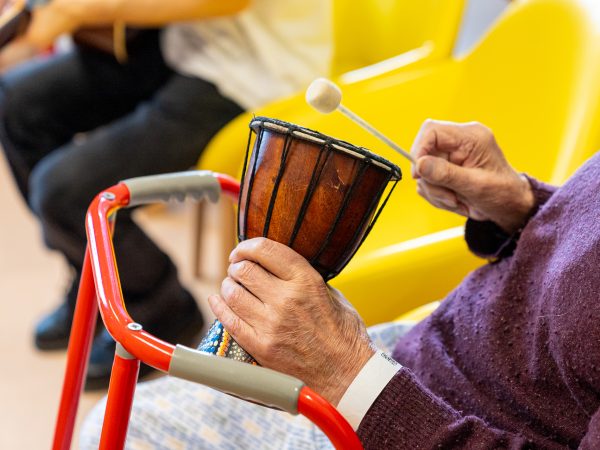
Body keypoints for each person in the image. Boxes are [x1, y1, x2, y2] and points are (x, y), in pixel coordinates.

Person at [81, 119, 600, 448]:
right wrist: (524, 206)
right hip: (424, 354)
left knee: (119, 428)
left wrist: (347, 374)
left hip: (409, 422)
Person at [0, 0, 331, 389]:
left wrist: (77, 12)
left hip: (254, 71)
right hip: (180, 44)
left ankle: (160, 307)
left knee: (64, 191)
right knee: (15, 104)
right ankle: (88, 272)